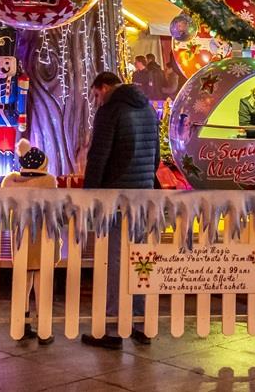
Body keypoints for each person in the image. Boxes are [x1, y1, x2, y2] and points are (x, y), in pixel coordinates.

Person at [81, 71, 158, 350]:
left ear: (103, 88)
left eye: (96, 94)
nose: (96, 100)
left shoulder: (110, 110)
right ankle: (141, 324)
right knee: (140, 259)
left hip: (116, 196)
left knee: (114, 260)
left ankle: (112, 328)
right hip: (144, 194)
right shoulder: (148, 108)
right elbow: (156, 156)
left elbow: (98, 158)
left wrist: (90, 197)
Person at [1, 139, 58, 344]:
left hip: (21, 242)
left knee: (22, 285)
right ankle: (44, 330)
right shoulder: (49, 187)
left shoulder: (13, 186)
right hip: (43, 244)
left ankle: (22, 325)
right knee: (42, 286)